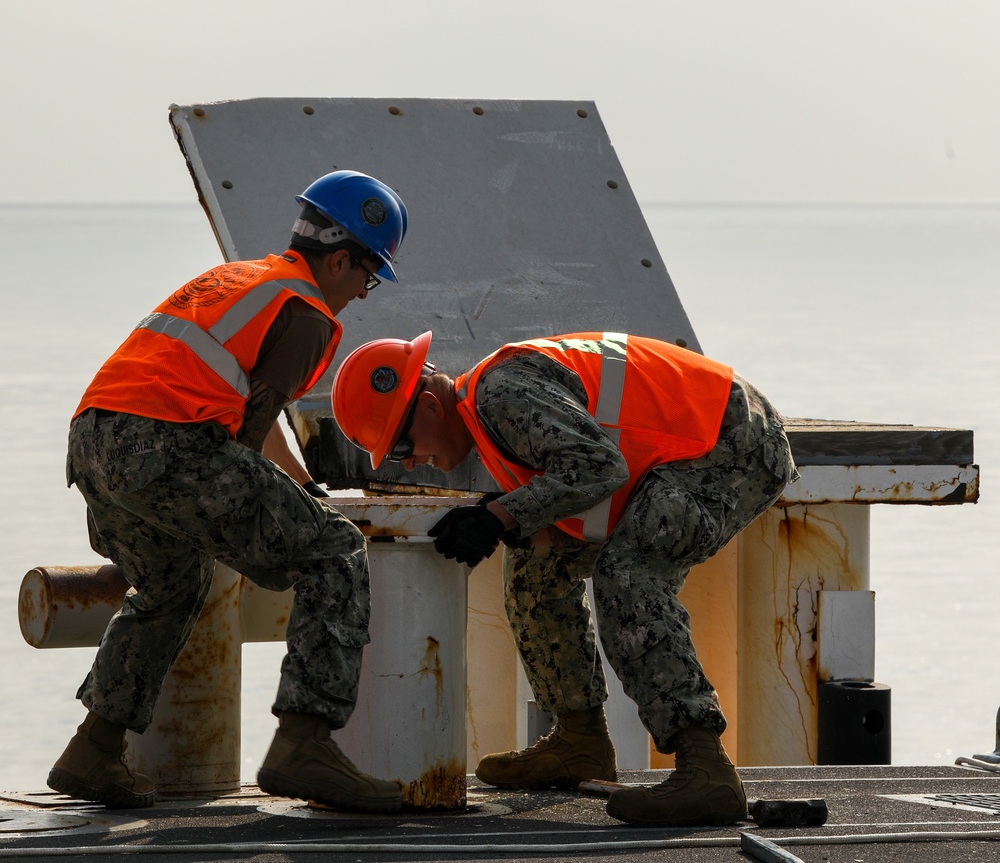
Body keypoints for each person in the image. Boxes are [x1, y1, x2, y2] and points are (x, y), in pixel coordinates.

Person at [48, 170, 408, 815]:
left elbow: (234, 417)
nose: (362, 292)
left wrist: (294, 494)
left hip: (94, 442)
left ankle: (94, 749)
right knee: (334, 553)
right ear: (340, 259)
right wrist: (311, 508)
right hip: (167, 445)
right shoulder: (308, 314)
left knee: (171, 586)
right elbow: (248, 436)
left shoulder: (233, 279)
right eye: (368, 275)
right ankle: (305, 741)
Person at [331, 328, 796, 827]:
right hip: (691, 447)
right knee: (537, 568)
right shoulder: (484, 415)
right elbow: (577, 476)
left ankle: (706, 767)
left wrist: (500, 517)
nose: (408, 461)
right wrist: (507, 514)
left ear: (429, 406)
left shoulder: (499, 394)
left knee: (629, 574)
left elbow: (598, 467)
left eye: (401, 445)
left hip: (728, 444)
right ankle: (580, 739)